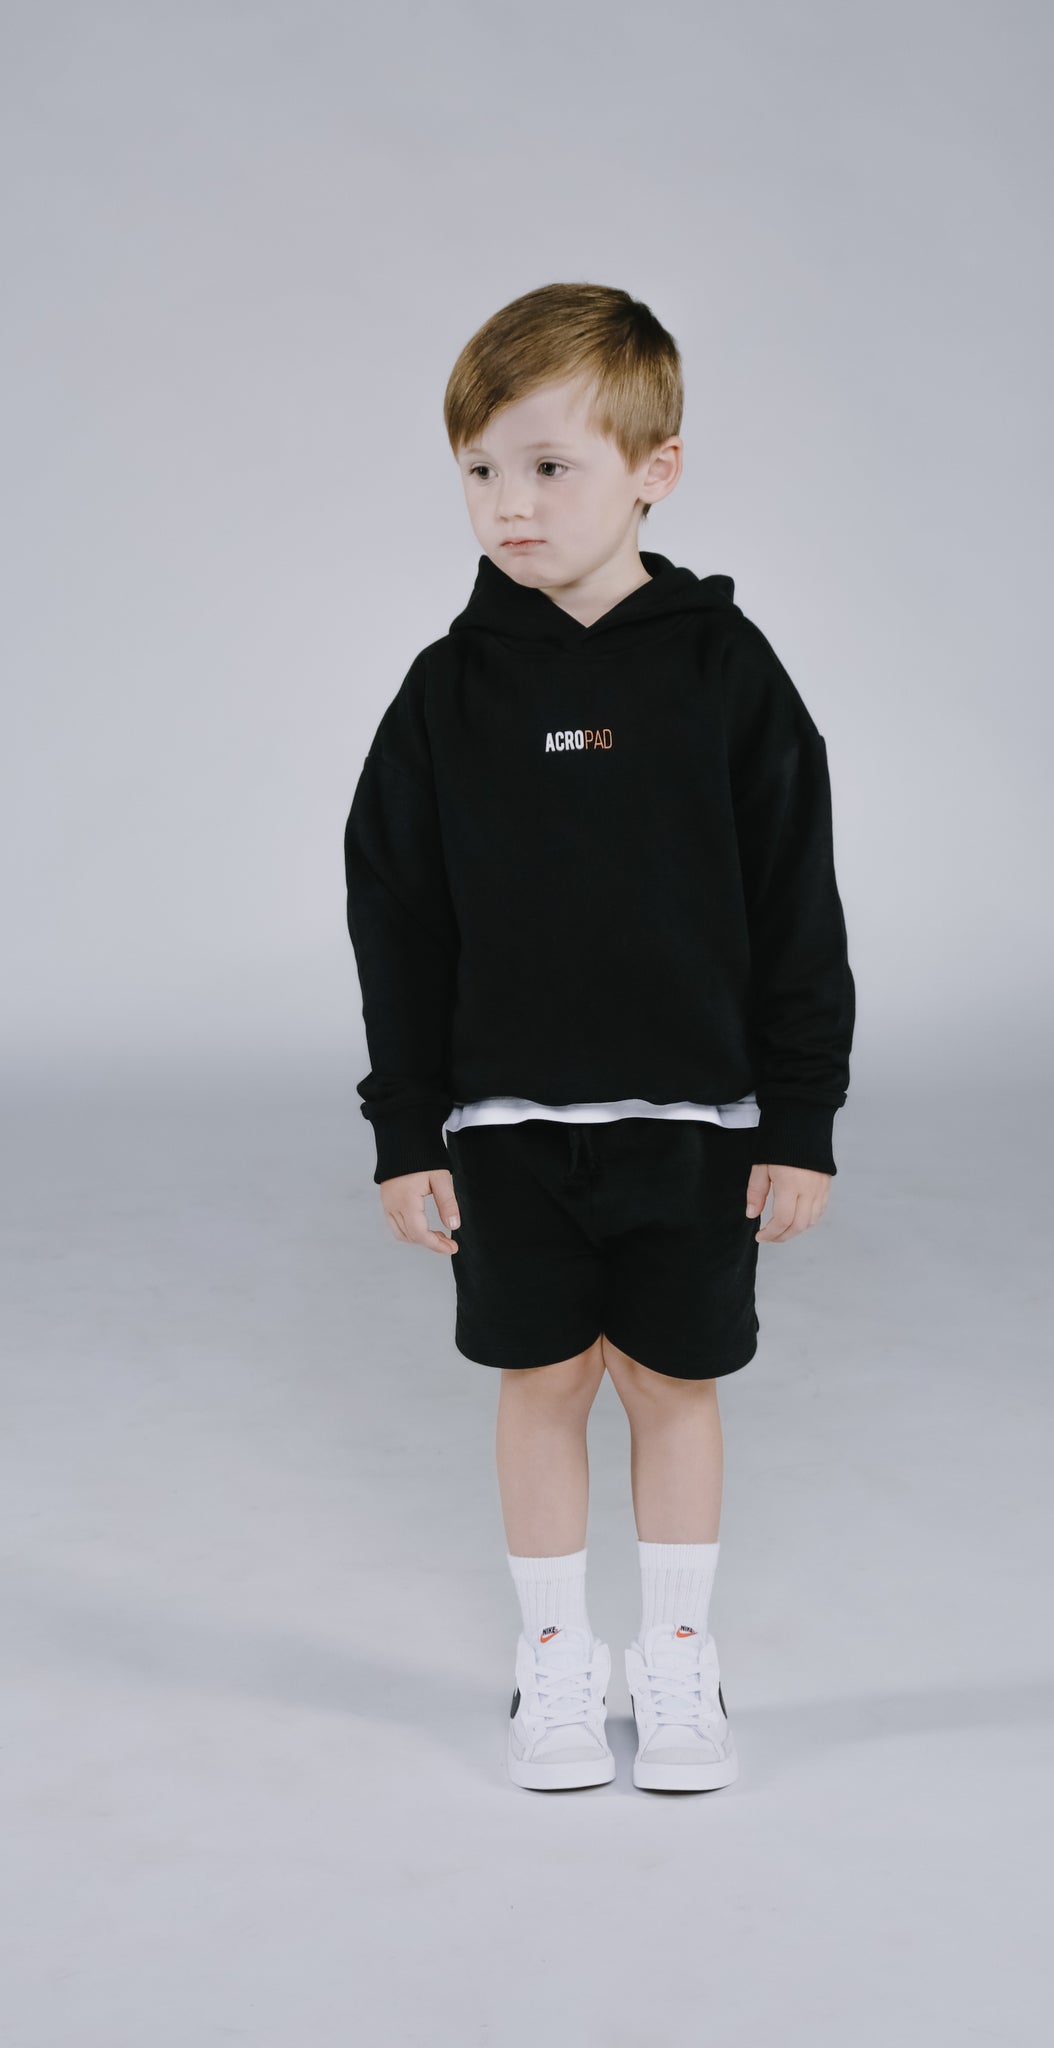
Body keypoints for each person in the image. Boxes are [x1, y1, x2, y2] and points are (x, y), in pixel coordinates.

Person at [343, 281, 855, 1793]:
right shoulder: (445, 694)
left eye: (549, 467)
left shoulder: (725, 672)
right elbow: (396, 920)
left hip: (696, 1125)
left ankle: (677, 1658)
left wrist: (801, 1120)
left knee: (671, 1385)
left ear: (653, 469)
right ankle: (556, 1657)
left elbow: (797, 906)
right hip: (509, 1130)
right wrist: (404, 1128)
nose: (509, 504)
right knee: (543, 1381)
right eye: (480, 470)